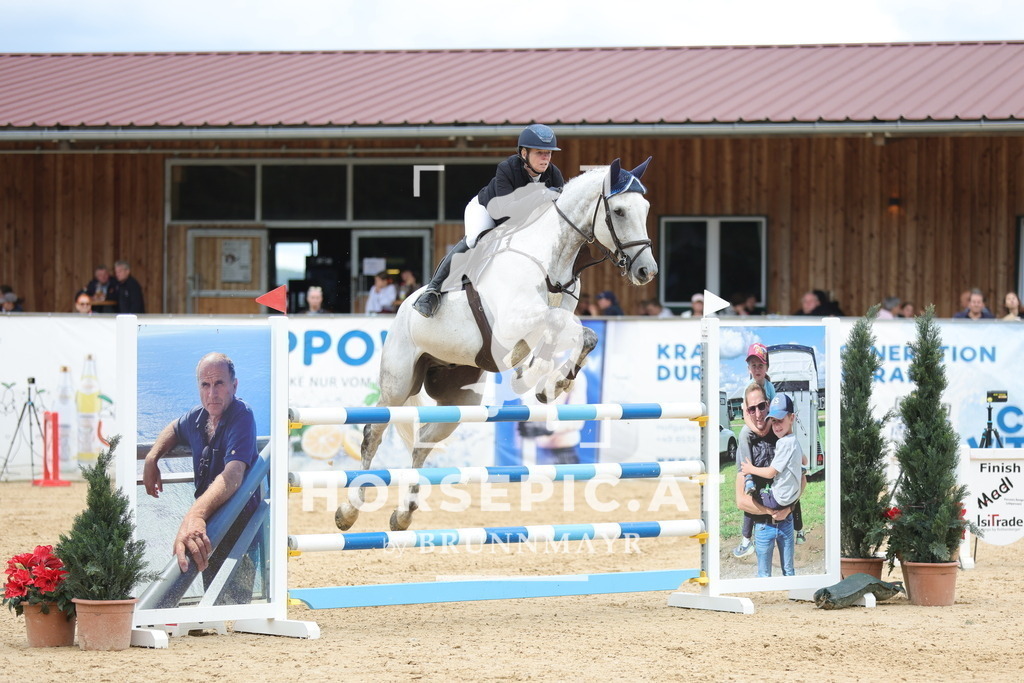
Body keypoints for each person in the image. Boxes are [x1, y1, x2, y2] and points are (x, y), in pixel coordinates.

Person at [413, 124, 564, 318]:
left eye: (549, 153)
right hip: (487, 210)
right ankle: (432, 292)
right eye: (540, 153)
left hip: (522, 223)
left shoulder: (554, 175)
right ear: (524, 153)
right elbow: (505, 211)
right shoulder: (507, 168)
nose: (546, 158)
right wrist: (541, 194)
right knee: (474, 240)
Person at [142, 353, 260, 603]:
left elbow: (233, 474)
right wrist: (152, 457)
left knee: (235, 603)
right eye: (205, 385)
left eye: (219, 383)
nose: (211, 393)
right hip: (210, 519)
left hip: (242, 523)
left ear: (234, 385)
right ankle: (194, 617)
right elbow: (174, 428)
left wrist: (194, 515)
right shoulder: (198, 416)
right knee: (210, 590)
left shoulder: (242, 415)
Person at [739, 393, 801, 577]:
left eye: (761, 406)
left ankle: (745, 540)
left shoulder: (782, 441)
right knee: (764, 575)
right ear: (747, 412)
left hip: (786, 519)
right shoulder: (746, 445)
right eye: (751, 409)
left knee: (789, 571)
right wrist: (770, 512)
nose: (757, 413)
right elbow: (740, 501)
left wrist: (788, 509)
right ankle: (746, 539)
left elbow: (801, 477)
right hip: (764, 524)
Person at [733, 344, 777, 557]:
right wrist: (757, 431)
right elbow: (746, 415)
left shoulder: (770, 387)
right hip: (754, 430)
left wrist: (767, 428)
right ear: (749, 368)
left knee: (786, 433)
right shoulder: (748, 388)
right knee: (742, 434)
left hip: (767, 427)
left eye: (760, 365)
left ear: (766, 367)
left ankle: (796, 529)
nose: (757, 369)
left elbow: (775, 412)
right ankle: (748, 476)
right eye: (753, 365)